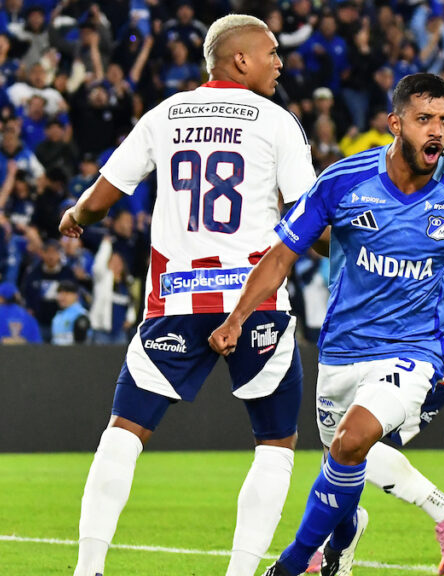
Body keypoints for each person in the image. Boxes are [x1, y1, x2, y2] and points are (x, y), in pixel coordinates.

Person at [209, 73, 444, 576]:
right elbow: (283, 255)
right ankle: (342, 538)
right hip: (340, 350)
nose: (438, 132)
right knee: (342, 462)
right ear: (395, 123)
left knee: (354, 441)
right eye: (426, 120)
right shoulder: (343, 180)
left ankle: (291, 565)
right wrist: (236, 317)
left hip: (415, 349)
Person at [58, 15, 318, 576]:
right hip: (257, 303)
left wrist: (76, 215)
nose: (279, 61)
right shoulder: (277, 122)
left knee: (124, 433)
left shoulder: (164, 114)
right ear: (239, 60)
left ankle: (88, 568)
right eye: (271, 52)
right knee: (275, 445)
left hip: (175, 300)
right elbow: (309, 220)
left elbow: (104, 197)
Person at [308, 107, 444, 575]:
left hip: (433, 347)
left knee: (353, 444)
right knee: (344, 446)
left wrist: (415, 324)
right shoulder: (442, 191)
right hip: (411, 342)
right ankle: (336, 545)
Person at [51, 281, 91, 345]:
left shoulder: (80, 315)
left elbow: (81, 344)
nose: (62, 297)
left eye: (66, 293)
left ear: (76, 296)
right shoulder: (58, 315)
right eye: (60, 293)